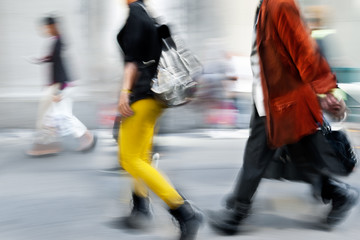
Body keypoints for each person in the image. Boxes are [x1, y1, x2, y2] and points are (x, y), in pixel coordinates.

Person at [208, 0, 358, 235]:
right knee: (299, 158)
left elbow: (304, 48)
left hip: (282, 101)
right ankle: (339, 194)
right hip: (270, 99)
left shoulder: (280, 3)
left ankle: (237, 211)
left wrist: (326, 88)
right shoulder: (268, 4)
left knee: (257, 156)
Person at [116, 1, 202, 239]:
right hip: (154, 97)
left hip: (142, 94)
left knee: (130, 158)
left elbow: (132, 60)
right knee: (140, 157)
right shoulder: (146, 13)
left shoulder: (135, 12)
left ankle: (184, 212)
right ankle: (140, 207)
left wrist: (124, 92)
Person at [27, 16, 96, 156]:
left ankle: (86, 136)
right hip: (61, 84)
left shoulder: (58, 41)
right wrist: (41, 60)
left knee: (62, 115)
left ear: (53, 26)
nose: (45, 30)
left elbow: (59, 66)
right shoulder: (56, 41)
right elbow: (52, 59)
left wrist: (58, 90)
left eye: (47, 27)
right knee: (53, 115)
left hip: (62, 85)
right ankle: (48, 144)